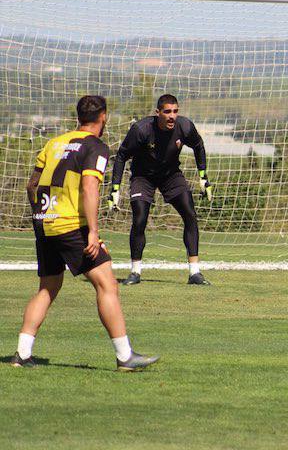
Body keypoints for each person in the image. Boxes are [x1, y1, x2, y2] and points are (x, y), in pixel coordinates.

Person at [10, 95, 159, 370]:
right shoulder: (96, 146)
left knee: (47, 288)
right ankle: (125, 355)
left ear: (78, 116)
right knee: (107, 284)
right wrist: (93, 232)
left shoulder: (53, 143)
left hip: (45, 222)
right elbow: (90, 187)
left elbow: (32, 186)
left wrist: (40, 215)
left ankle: (22, 353)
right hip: (70, 226)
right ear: (103, 117)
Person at [108, 94, 213, 285]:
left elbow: (198, 146)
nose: (172, 116)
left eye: (175, 111)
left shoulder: (185, 127)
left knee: (190, 214)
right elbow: (122, 155)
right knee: (140, 218)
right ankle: (135, 272)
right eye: (167, 112)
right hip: (143, 177)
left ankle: (195, 273)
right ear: (158, 113)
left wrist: (203, 177)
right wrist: (114, 188)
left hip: (171, 175)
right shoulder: (141, 129)